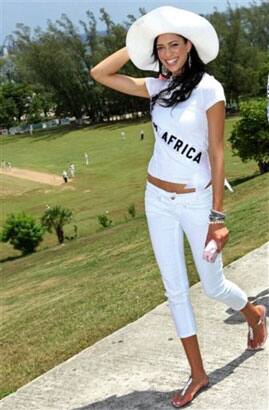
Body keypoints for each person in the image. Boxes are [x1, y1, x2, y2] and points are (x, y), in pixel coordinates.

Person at [90, 6, 267, 408]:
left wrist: (217, 218)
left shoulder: (210, 89)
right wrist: (138, 41)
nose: (168, 52)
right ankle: (198, 374)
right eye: (161, 46)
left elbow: (218, 153)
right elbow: (100, 74)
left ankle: (255, 314)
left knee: (212, 284)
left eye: (175, 43)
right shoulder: (156, 87)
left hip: (197, 201)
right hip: (157, 200)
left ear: (190, 45)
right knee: (175, 291)